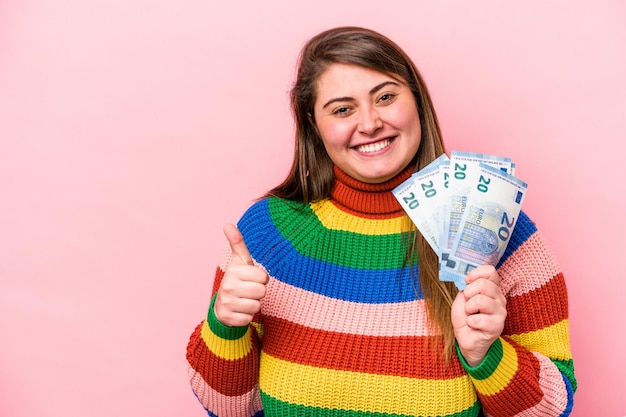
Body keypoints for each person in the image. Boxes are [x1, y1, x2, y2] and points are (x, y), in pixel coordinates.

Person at [186, 26, 576, 417]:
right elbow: (227, 408)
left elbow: (553, 407)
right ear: (314, 124)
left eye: (385, 97)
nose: (370, 123)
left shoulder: (493, 226)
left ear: (417, 101)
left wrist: (485, 355)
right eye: (342, 109)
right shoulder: (266, 232)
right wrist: (224, 326)